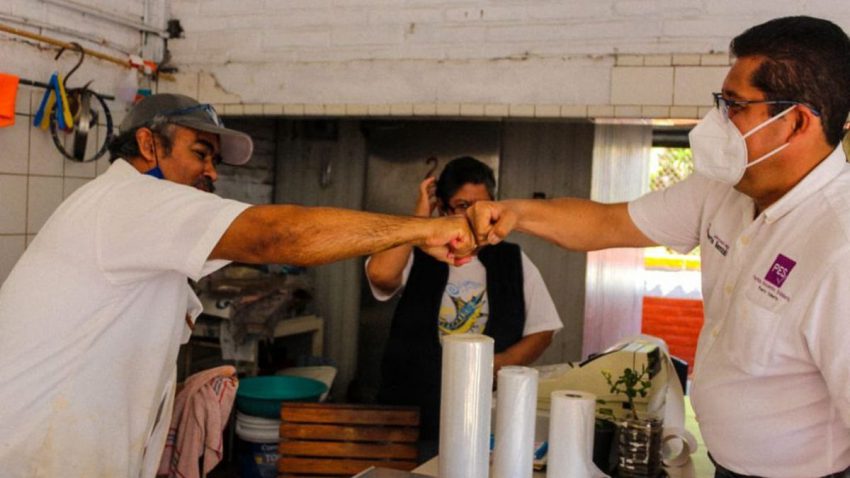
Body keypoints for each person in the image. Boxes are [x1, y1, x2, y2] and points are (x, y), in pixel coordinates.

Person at [0, 93, 475, 478]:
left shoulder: (132, 213)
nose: (212, 172)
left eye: (214, 159)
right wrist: (423, 230)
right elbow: (278, 236)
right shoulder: (132, 198)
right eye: (200, 153)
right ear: (149, 145)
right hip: (34, 456)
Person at [467, 16, 850, 478]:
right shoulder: (723, 190)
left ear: (795, 122)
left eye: (734, 105)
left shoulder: (838, 247)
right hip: (726, 467)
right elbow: (606, 223)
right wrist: (512, 213)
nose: (719, 121)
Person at [366, 157, 562, 456]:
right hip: (413, 420)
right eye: (462, 205)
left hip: (487, 419)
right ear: (443, 209)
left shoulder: (512, 260)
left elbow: (543, 329)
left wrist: (497, 365)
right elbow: (381, 274)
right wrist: (418, 220)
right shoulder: (415, 254)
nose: (474, 215)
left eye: (483, 205)